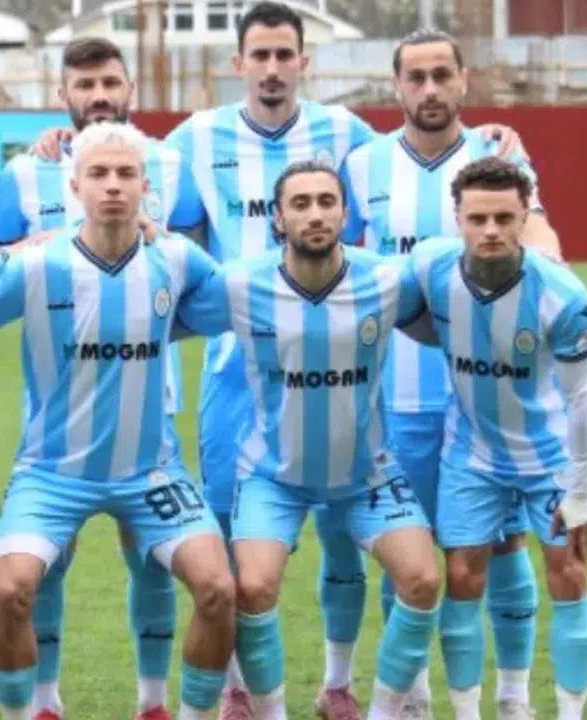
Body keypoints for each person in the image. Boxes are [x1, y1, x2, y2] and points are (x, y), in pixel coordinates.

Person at [154, 5, 523, 716]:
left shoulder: (348, 136)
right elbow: (122, 171)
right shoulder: (194, 137)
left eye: (283, 54)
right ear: (238, 63)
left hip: (343, 363)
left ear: (304, 61)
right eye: (259, 55)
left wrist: (493, 139)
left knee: (354, 544)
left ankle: (341, 684)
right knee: (234, 556)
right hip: (239, 367)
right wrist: (58, 141)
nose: (271, 68)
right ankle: (236, 691)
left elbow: (422, 166)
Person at [338, 29, 564, 720]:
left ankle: (513, 697)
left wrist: (554, 274)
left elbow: (540, 234)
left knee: (502, 548)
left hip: (491, 399)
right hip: (399, 397)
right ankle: (410, 697)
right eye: (417, 77)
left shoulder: (499, 155)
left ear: (464, 80)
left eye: (442, 74)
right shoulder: (364, 164)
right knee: (405, 551)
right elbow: (340, 265)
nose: (430, 89)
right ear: (396, 86)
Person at [0, 35, 202, 720]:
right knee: (49, 557)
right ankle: (45, 701)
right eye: (84, 85)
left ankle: (152, 701)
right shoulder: (27, 172)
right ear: (63, 94)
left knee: (150, 555)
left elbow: (195, 264)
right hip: (58, 400)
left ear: (129, 86)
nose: (98, 95)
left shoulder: (171, 164)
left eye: (109, 82)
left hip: (148, 397)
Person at [177, 160, 442, 720]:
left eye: (327, 202)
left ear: (345, 214)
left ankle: (384, 712)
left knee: (422, 581)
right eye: (300, 204)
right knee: (253, 589)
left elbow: (450, 297)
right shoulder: (241, 284)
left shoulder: (388, 281)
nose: (315, 214)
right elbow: (164, 312)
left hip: (366, 473)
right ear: (278, 218)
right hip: (274, 475)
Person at [408, 157, 587, 720]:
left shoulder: (562, 294)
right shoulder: (431, 266)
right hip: (472, 453)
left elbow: (583, 399)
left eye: (503, 218)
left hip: (550, 458)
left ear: (523, 219)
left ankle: (569, 714)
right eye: (478, 218)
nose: (490, 230)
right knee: (462, 575)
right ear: (458, 219)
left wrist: (581, 493)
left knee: (570, 573)